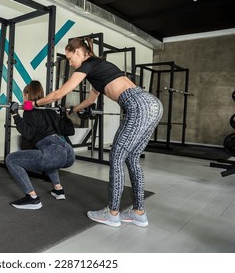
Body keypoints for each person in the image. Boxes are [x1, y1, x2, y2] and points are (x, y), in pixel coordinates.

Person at [23, 37, 163, 226]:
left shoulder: (87, 65)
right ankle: (139, 212)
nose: (70, 64)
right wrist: (74, 110)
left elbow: (59, 94)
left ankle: (112, 213)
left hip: (137, 106)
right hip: (152, 104)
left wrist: (33, 104)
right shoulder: (99, 66)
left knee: (116, 158)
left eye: (70, 58)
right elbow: (90, 100)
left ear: (79, 53)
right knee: (132, 158)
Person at [6, 80, 75, 210]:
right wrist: (64, 115)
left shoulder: (29, 110)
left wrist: (15, 114)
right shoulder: (49, 109)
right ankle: (58, 190)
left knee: (11, 159)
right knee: (49, 158)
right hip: (68, 152)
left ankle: (32, 198)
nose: (23, 98)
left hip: (53, 151)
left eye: (23, 95)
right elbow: (69, 131)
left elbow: (28, 133)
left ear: (27, 95)